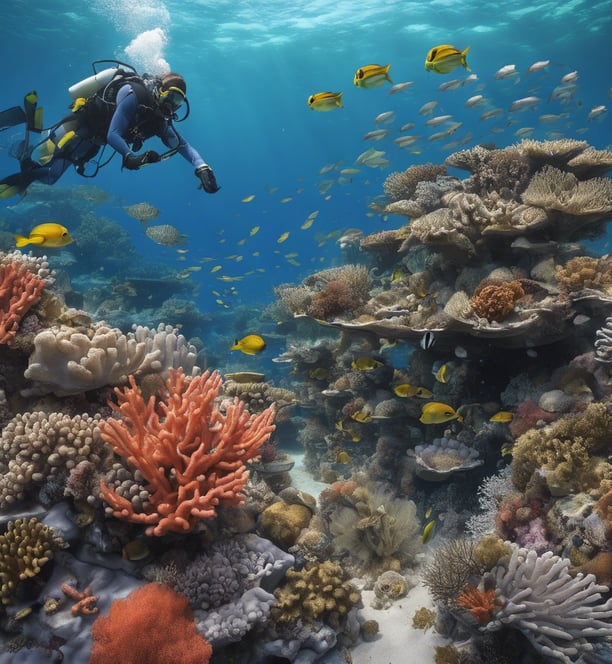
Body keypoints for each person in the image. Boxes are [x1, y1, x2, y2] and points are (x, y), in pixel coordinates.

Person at [0, 68, 219, 199]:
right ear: (159, 90)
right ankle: (21, 144)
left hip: (94, 141)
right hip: (78, 128)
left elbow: (182, 145)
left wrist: (202, 167)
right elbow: (114, 133)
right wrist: (129, 156)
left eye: (178, 101)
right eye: (171, 97)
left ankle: (26, 167)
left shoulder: (160, 120)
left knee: (49, 177)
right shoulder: (133, 93)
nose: (172, 105)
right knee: (43, 152)